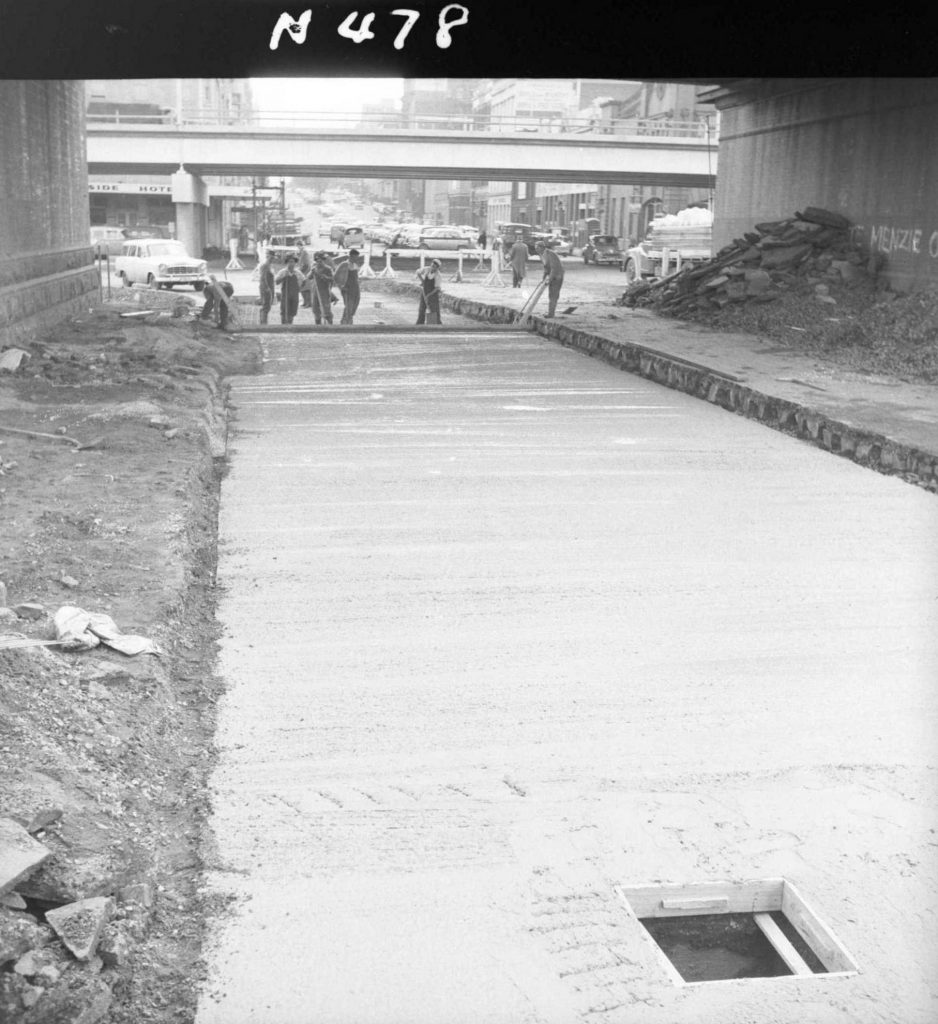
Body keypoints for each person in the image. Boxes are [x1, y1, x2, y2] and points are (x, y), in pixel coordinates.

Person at [536, 241, 565, 317]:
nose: (536, 250)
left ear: (542, 247)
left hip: (557, 276)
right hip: (552, 276)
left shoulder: (550, 254)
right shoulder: (541, 255)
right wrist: (543, 278)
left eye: (537, 248)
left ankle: (551, 314)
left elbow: (554, 268)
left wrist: (549, 279)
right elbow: (546, 268)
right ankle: (550, 312)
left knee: (553, 295)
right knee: (550, 295)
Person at [334, 248, 362, 325]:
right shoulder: (344, 264)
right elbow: (336, 276)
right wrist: (341, 286)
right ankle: (345, 321)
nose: (357, 258)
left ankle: (348, 319)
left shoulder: (355, 265)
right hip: (347, 288)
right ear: (351, 256)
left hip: (356, 288)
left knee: (355, 304)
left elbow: (356, 277)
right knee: (348, 305)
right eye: (356, 257)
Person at [308, 251, 335, 324]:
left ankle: (330, 325)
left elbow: (332, 279)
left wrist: (324, 277)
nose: (319, 262)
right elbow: (309, 277)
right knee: (315, 309)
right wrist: (312, 272)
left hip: (324, 291)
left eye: (321, 260)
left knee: (326, 309)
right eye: (318, 260)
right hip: (315, 291)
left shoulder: (328, 269)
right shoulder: (314, 268)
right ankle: (318, 325)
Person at [274, 255, 304, 324]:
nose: (291, 264)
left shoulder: (298, 273)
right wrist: (284, 277)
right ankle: (283, 326)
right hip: (285, 294)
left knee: (292, 311)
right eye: (289, 262)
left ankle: (290, 325)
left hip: (294, 295)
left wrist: (300, 288)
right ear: (286, 263)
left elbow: (304, 280)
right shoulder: (282, 272)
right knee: (284, 310)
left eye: (293, 262)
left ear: (295, 263)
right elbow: (277, 282)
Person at [415, 259, 443, 325]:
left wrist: (429, 295)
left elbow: (437, 288)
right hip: (424, 292)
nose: (432, 268)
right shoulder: (426, 269)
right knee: (422, 308)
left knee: (433, 309)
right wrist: (422, 281)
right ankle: (420, 324)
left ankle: (433, 324)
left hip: (433, 294)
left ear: (437, 268)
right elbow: (418, 272)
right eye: (432, 266)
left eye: (434, 267)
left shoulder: (438, 275)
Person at [257, 252, 275, 325]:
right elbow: (263, 278)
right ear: (267, 257)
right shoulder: (265, 265)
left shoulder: (269, 265)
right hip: (266, 288)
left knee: (267, 306)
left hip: (269, 288)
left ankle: (263, 321)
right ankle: (263, 323)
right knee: (266, 306)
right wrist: (267, 288)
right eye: (270, 257)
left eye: (273, 258)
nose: (272, 259)